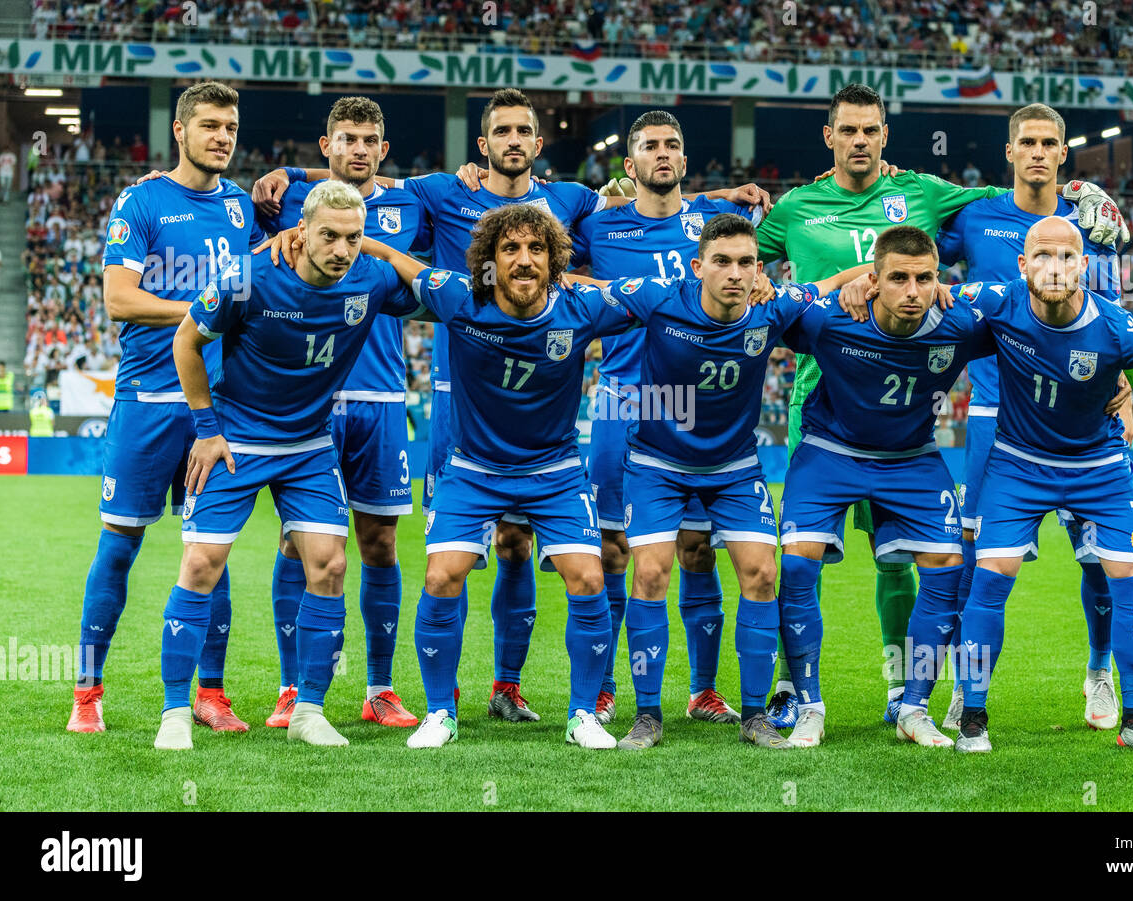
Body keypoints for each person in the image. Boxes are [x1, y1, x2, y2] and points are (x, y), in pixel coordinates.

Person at [252, 88, 769, 723]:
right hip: (456, 401)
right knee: (435, 554)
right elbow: (364, 176)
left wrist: (726, 204)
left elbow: (653, 202)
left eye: (525, 129)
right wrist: (295, 174)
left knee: (523, 547)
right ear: (484, 143)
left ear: (538, 142)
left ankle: (509, 684)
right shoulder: (442, 191)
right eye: (503, 131)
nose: (515, 140)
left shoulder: (571, 200)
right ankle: (390, 696)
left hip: (571, 408)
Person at [753, 82, 1128, 743]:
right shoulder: (808, 208)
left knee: (1073, 559)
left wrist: (1123, 375)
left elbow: (1106, 320)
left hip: (1022, 419)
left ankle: (929, 690)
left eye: (872, 130)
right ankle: (801, 689)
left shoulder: (1076, 226)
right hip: (832, 404)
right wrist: (837, 283)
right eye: (850, 130)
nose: (862, 140)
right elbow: (744, 273)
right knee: (819, 557)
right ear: (831, 137)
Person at [571, 214, 868, 750]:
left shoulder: (770, 309)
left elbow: (829, 284)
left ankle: (755, 715)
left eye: (746, 262)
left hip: (734, 468)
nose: (735, 273)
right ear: (697, 266)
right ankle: (647, 716)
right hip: (657, 463)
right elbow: (589, 289)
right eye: (723, 262)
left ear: (760, 269)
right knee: (653, 574)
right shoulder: (662, 297)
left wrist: (875, 274)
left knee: (760, 573)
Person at [156, 180, 430, 750]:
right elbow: (186, 341)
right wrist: (206, 430)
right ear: (300, 232)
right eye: (328, 235)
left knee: (329, 566)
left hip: (308, 446)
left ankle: (308, 709)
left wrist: (377, 249)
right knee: (202, 563)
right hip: (239, 440)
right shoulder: (249, 275)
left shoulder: (370, 277)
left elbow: (435, 290)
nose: (341, 250)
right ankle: (175, 713)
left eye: (353, 239)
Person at [350, 203, 635, 750]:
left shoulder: (583, 306)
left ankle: (583, 716)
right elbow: (400, 262)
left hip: (554, 471)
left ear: (554, 261)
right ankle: (440, 713)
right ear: (489, 260)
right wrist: (366, 244)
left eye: (536, 250)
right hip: (474, 470)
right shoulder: (460, 297)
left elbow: (662, 297)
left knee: (591, 579)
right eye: (511, 250)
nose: (524, 261)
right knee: (440, 577)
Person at [70, 82, 265, 735]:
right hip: (149, 403)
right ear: (179, 131)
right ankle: (87, 693)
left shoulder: (243, 207)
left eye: (230, 126)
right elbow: (120, 300)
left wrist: (294, 172)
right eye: (208, 124)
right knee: (119, 546)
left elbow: (340, 196)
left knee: (211, 549)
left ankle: (210, 693)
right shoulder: (143, 201)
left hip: (217, 410)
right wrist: (203, 310)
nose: (222, 136)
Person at [954, 216, 1133, 754]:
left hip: (1100, 468)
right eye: (1042, 256)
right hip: (1018, 463)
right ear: (1022, 265)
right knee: (990, 580)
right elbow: (931, 294)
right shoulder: (996, 302)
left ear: (1084, 265)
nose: (1054, 267)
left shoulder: (1118, 328)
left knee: (1127, 580)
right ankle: (973, 715)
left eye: (1066, 257)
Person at [935, 102, 1132, 732]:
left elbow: (1108, 312)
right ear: (1011, 152)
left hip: (1082, 417)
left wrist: (1121, 373)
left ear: (1063, 152)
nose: (1040, 152)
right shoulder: (973, 217)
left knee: (1101, 563)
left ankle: (1100, 673)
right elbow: (918, 269)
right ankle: (966, 689)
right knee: (977, 560)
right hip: (996, 413)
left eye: (1051, 142)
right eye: (1029, 142)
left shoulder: (1090, 223)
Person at [570, 110, 764, 727]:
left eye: (672, 145)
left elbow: (755, 253)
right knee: (613, 551)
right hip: (622, 399)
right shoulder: (598, 226)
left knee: (699, 549)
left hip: (696, 405)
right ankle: (603, 688)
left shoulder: (711, 226)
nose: (662, 154)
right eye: (650, 146)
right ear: (629, 166)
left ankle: (703, 690)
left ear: (685, 160)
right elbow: (553, 271)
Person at [779, 225, 995, 749]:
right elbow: (754, 313)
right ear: (874, 281)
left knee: (947, 566)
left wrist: (1119, 382)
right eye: (898, 278)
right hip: (830, 452)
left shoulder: (960, 324)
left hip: (911, 458)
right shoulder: (831, 319)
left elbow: (1043, 331)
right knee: (794, 562)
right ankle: (808, 705)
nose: (913, 291)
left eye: (925, 278)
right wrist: (839, 284)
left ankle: (914, 708)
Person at [255, 96, 431, 730]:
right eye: (347, 138)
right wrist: (291, 185)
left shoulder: (416, 203)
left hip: (383, 397)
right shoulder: (284, 210)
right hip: (310, 402)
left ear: (383, 150)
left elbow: (491, 194)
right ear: (326, 145)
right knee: (297, 545)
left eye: (370, 140)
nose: (358, 148)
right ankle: (290, 687)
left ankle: (380, 688)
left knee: (380, 543)